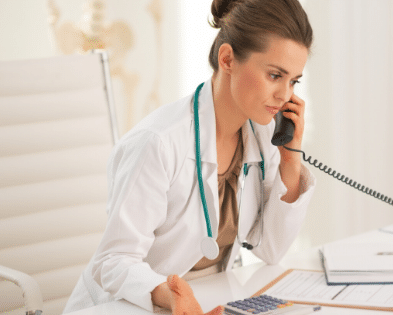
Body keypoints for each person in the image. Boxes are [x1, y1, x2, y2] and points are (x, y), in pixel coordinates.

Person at [63, 0, 315, 314]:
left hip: (208, 298)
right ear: (227, 59)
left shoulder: (263, 138)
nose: (285, 96)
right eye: (275, 75)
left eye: (293, 81)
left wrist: (291, 161)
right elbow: (113, 261)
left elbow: (272, 249)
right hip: (130, 305)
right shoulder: (158, 142)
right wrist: (170, 296)